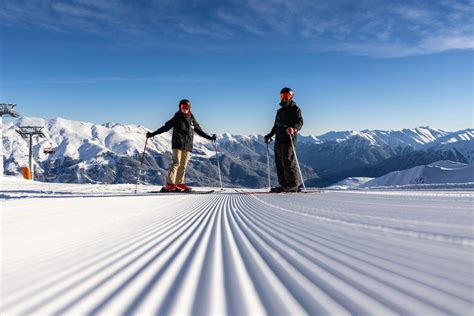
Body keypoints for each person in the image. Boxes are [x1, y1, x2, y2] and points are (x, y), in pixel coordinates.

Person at [146, 99, 216, 192]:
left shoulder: (192, 118)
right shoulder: (177, 117)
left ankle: (179, 183)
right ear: (180, 107)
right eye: (183, 107)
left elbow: (199, 130)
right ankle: (169, 184)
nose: (184, 109)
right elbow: (165, 127)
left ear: (189, 108)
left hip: (187, 145)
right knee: (176, 163)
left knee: (183, 165)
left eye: (186, 107)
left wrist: (210, 137)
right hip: (177, 144)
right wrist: (152, 134)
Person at [264, 87, 303, 192]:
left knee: (288, 161)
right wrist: (269, 135)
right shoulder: (279, 111)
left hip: (289, 139)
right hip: (279, 139)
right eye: (282, 96)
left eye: (286, 96)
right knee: (279, 161)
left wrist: (293, 129)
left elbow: (300, 122)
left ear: (291, 96)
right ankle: (283, 184)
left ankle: (293, 184)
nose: (284, 98)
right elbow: (275, 126)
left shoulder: (296, 109)